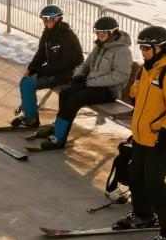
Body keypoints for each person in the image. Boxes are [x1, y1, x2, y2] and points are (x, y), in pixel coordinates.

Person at [114, 26, 166, 240]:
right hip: (141, 136)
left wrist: (164, 133)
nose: (143, 52)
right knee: (135, 176)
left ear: (161, 47)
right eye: (141, 47)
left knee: (155, 185)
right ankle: (143, 215)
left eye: (147, 48)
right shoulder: (148, 70)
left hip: (161, 140)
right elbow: (139, 99)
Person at [32, 16, 133, 150]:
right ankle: (58, 128)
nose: (100, 35)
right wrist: (78, 75)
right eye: (97, 32)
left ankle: (59, 139)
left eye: (103, 32)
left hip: (109, 90)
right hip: (92, 84)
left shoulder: (122, 51)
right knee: (66, 93)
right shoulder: (100, 46)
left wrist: (92, 81)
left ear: (112, 32)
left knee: (75, 99)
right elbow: (86, 64)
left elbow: (120, 76)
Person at [9, 4, 83, 131]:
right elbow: (41, 54)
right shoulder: (48, 33)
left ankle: (31, 120)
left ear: (58, 19)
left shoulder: (67, 36)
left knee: (28, 84)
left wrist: (41, 71)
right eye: (45, 19)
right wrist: (31, 69)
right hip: (54, 72)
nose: (47, 22)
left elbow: (67, 63)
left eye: (51, 19)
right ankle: (29, 115)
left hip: (66, 75)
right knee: (25, 81)